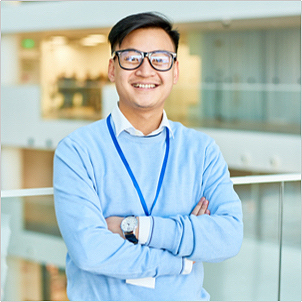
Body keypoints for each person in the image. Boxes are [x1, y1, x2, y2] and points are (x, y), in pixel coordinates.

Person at [53, 12, 243, 301]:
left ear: (175, 71)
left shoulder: (201, 150)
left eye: (160, 58)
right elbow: (90, 251)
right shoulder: (77, 151)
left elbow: (229, 236)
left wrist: (138, 228)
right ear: (112, 69)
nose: (145, 70)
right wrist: (180, 260)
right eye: (131, 57)